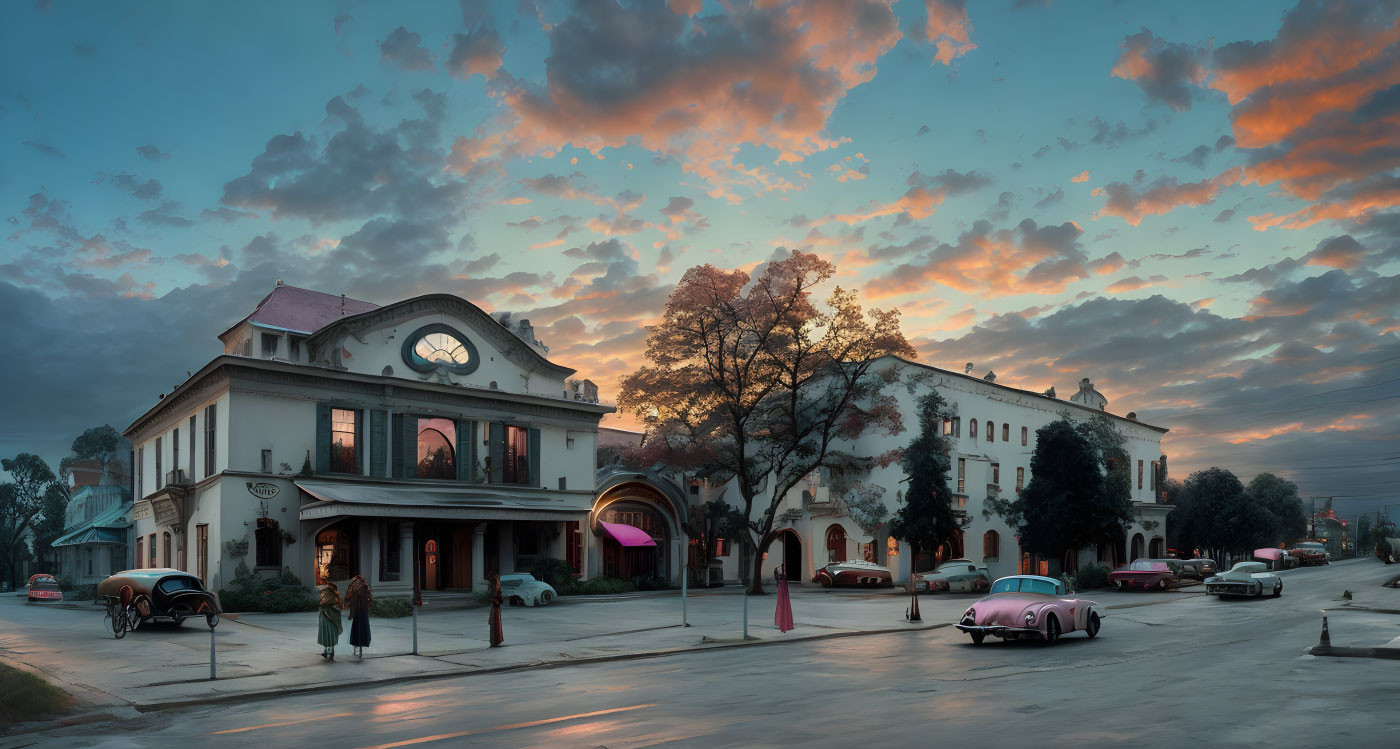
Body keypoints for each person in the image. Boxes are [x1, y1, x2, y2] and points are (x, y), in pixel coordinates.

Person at [345, 575, 372, 660]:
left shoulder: (356, 590)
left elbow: (353, 603)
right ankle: (360, 650)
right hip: (364, 613)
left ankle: (356, 650)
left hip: (358, 614)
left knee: (357, 631)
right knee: (363, 629)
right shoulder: (365, 587)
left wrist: (351, 614)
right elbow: (369, 600)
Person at [317, 582, 344, 660]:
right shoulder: (333, 594)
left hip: (329, 616)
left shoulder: (328, 593)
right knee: (329, 633)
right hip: (328, 616)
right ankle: (329, 650)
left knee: (328, 633)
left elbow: (324, 603)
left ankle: (328, 650)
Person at [488, 571, 504, 647]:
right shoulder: (495, 585)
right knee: (495, 622)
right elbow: (495, 595)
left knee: (495, 622)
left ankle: (495, 640)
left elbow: (495, 595)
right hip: (495, 605)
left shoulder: (493, 585)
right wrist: (497, 600)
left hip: (495, 605)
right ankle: (495, 640)